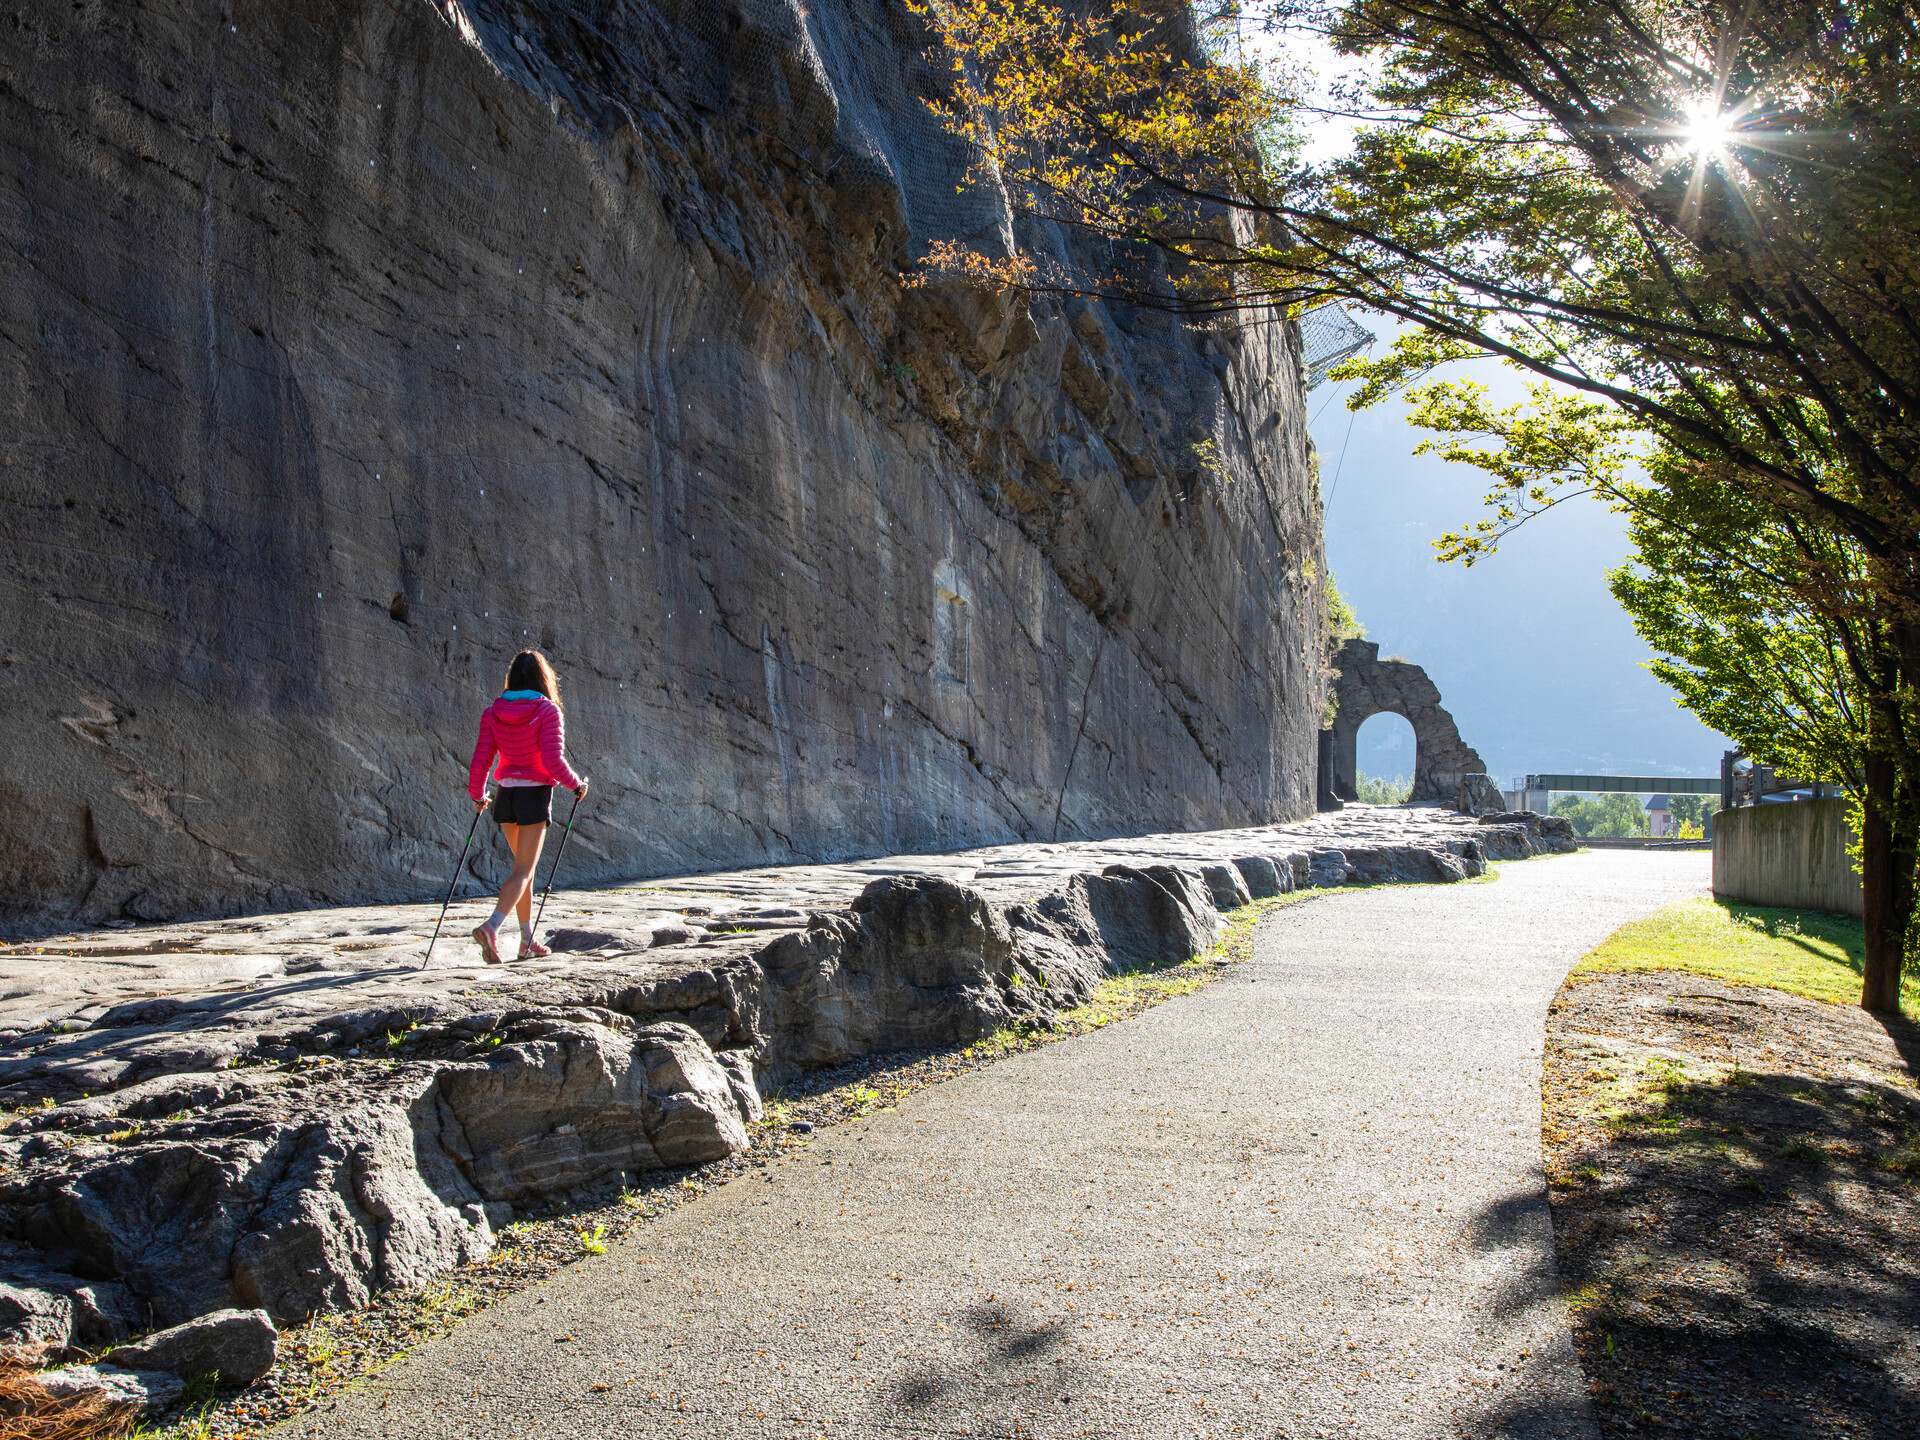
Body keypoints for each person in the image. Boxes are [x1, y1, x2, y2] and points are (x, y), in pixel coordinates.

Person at [466, 650, 588, 963]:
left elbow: (482, 760)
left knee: (526, 872)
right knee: (523, 870)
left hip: (506, 795)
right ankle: (492, 927)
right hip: (534, 796)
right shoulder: (547, 710)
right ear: (542, 679)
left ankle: (526, 941)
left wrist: (478, 795)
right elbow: (552, 760)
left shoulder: (493, 712)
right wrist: (576, 784)